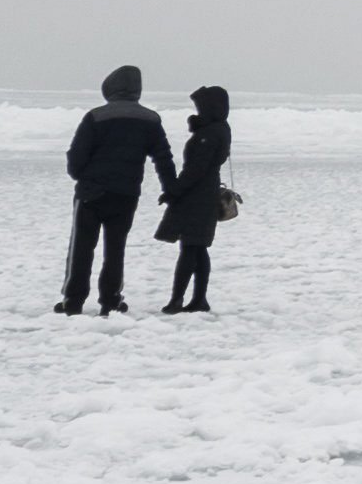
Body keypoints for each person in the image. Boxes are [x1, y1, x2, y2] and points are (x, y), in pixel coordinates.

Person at [62, 67, 168, 313]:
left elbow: (77, 156)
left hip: (91, 193)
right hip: (126, 194)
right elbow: (163, 158)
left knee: (81, 247)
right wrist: (170, 188)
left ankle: (73, 301)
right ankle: (110, 300)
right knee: (115, 249)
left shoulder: (96, 117)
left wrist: (81, 177)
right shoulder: (150, 120)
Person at [159, 85, 233, 313]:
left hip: (198, 197)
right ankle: (198, 299)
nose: (198, 111)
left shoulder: (210, 133)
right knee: (198, 248)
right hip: (204, 194)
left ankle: (178, 299)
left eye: (201, 107)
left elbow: (196, 169)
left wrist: (174, 190)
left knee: (190, 248)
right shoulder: (218, 129)